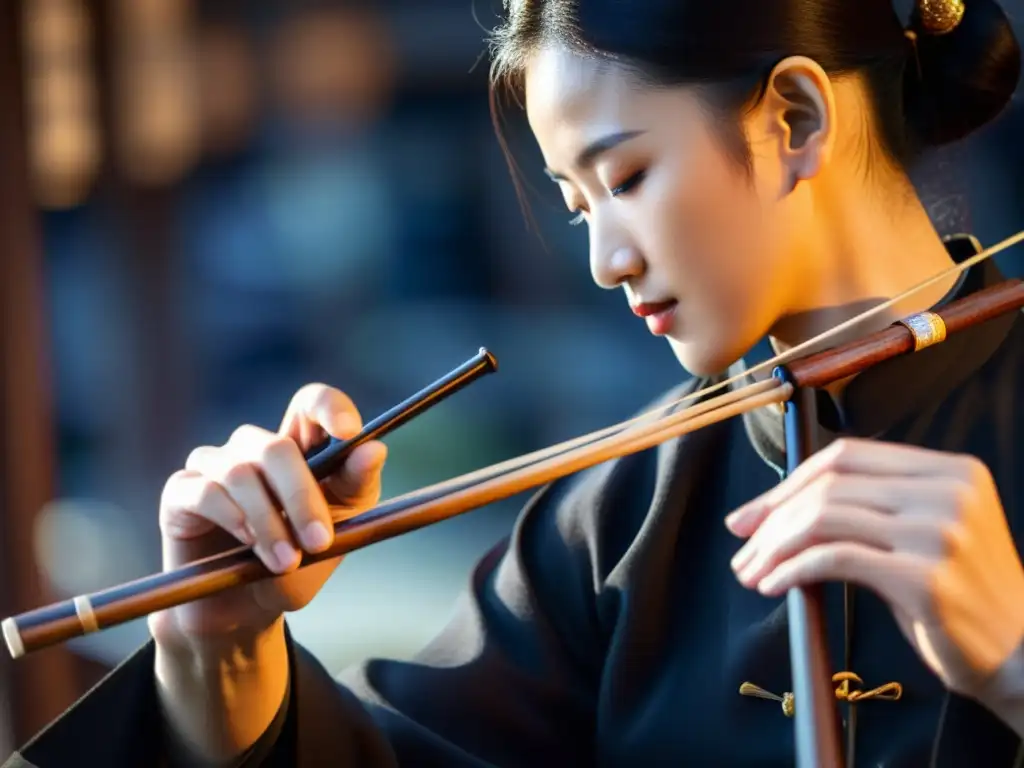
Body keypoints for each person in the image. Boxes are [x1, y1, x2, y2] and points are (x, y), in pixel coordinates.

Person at [6, 0, 1024, 765]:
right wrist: (216, 643)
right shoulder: (618, 516)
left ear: (794, 118)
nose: (605, 261)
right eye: (579, 206)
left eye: (624, 178)